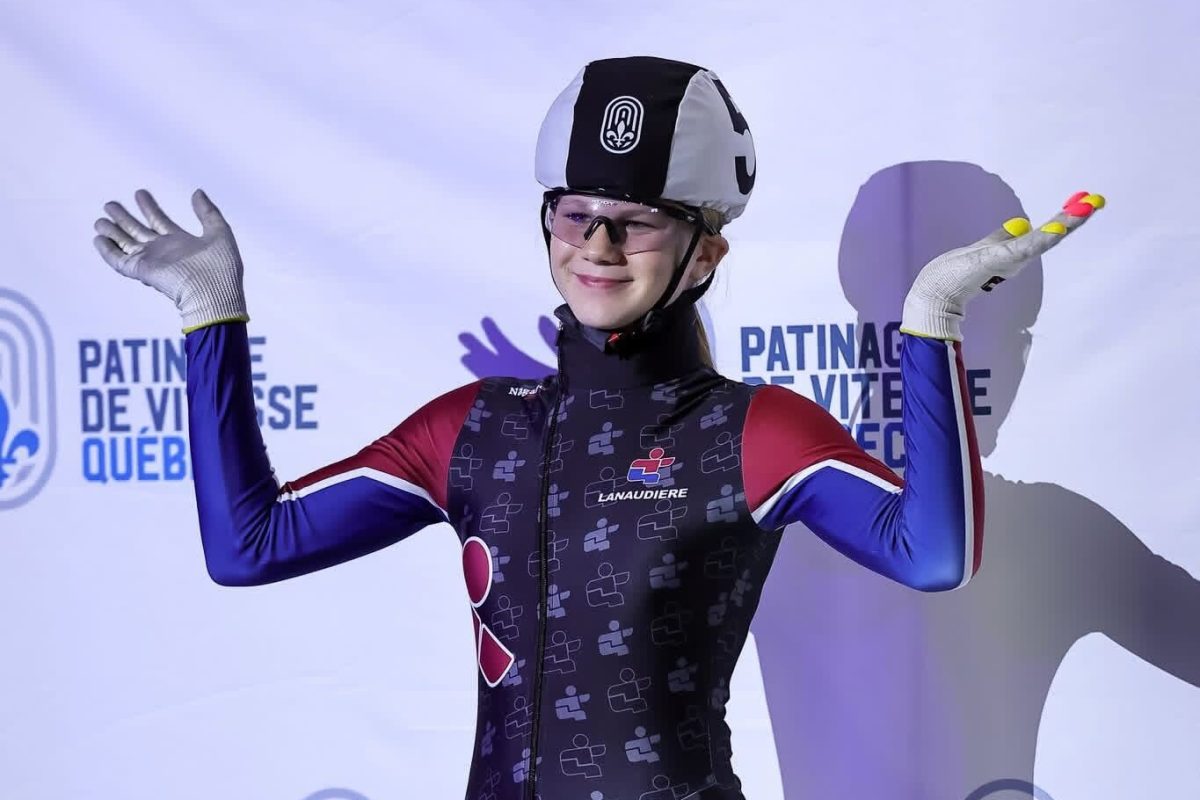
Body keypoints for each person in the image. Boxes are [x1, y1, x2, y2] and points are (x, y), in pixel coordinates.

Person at [91, 56, 1103, 800]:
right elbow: (248, 544)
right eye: (576, 214)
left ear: (705, 254)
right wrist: (209, 317)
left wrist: (929, 322)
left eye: (639, 219)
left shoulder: (749, 429)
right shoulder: (475, 425)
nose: (600, 244)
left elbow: (934, 554)